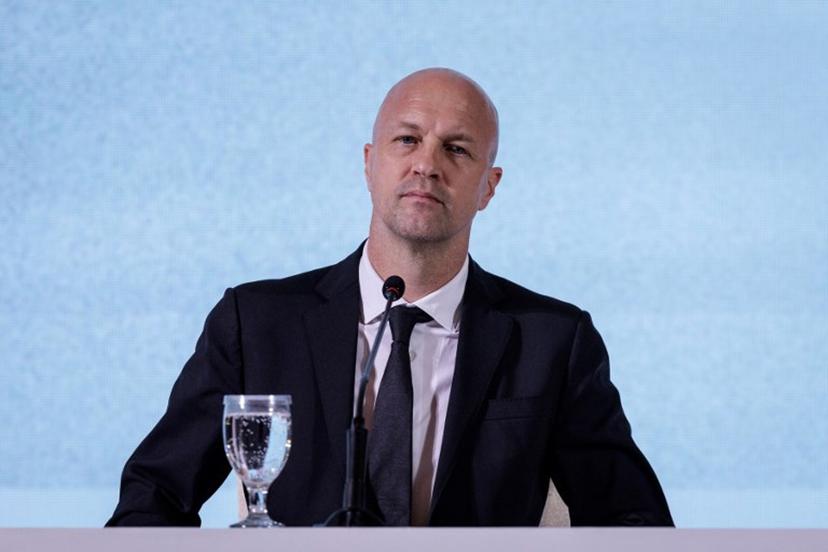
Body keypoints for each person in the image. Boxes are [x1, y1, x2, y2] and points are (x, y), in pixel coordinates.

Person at [107, 68, 673, 527]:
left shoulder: (553, 341)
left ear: (488, 187)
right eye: (407, 140)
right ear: (369, 162)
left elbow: (633, 522)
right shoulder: (255, 324)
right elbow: (150, 501)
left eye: (456, 149)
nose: (426, 164)